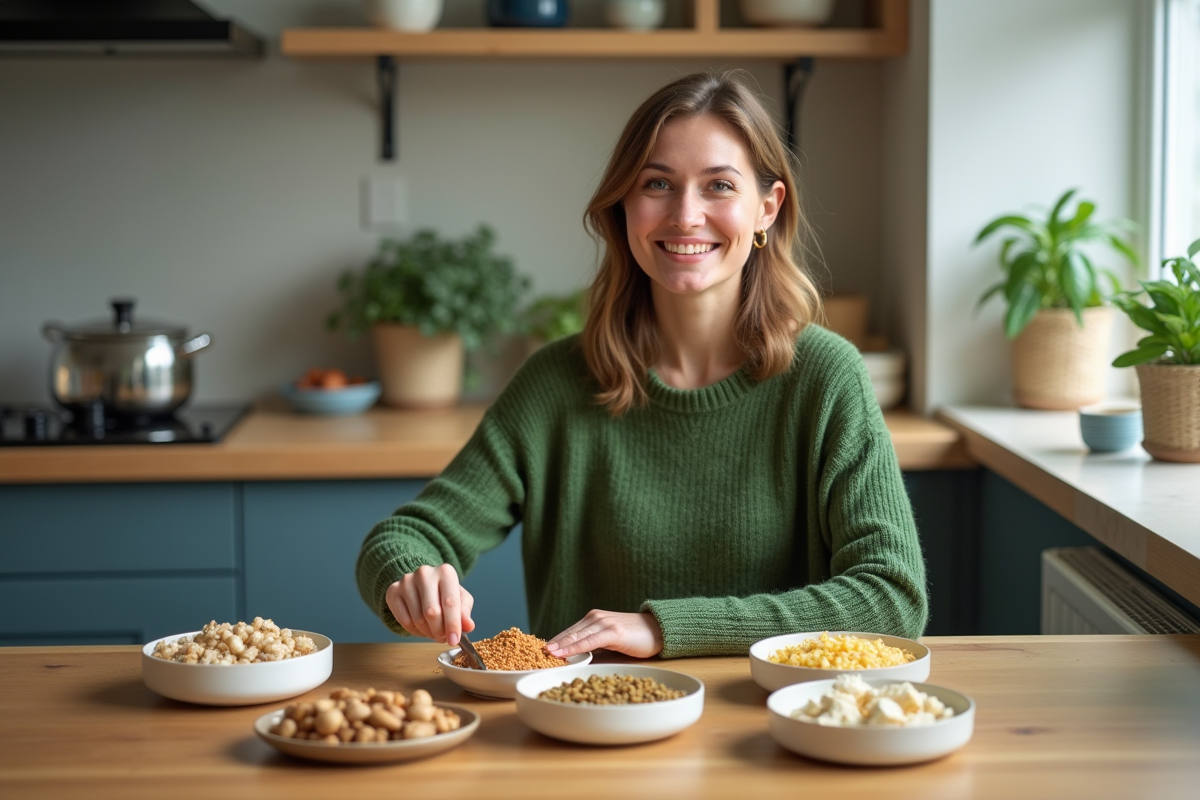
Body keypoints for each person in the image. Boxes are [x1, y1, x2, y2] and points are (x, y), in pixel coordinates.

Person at [355, 71, 927, 659]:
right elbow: (404, 537)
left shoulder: (827, 378)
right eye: (657, 183)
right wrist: (413, 578)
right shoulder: (555, 383)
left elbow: (892, 597)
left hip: (769, 711)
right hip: (584, 709)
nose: (685, 215)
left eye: (719, 186)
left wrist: (663, 628)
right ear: (624, 206)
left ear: (767, 208)